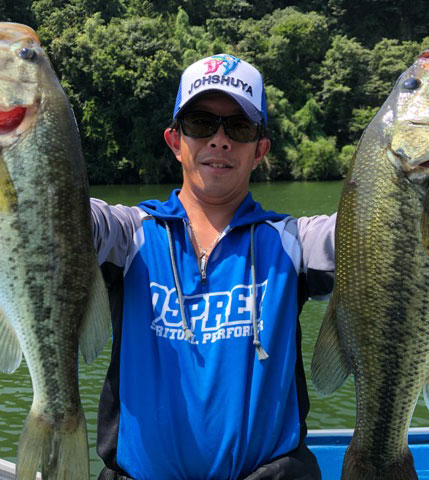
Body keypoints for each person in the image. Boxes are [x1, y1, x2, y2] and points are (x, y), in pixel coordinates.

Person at [92, 53, 336, 480]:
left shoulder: (294, 242)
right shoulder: (127, 234)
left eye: (238, 127)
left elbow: (380, 227)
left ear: (260, 150)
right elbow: (62, 215)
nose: (220, 140)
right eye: (201, 123)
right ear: (175, 140)